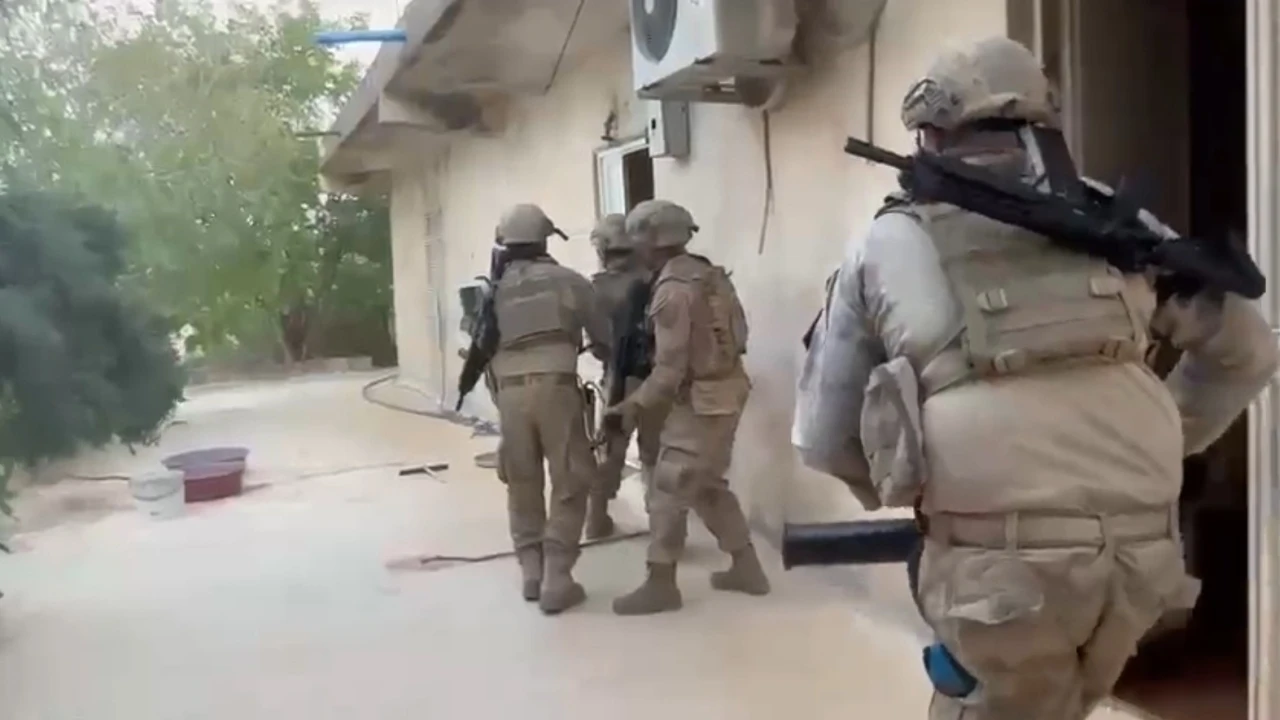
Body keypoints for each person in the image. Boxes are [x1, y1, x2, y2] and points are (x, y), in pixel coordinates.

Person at [792, 36, 1278, 720]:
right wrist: (1153, 444)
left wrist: (913, 482)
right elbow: (1247, 351)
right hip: (1145, 561)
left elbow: (825, 438)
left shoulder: (889, 241)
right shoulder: (1113, 223)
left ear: (931, 133)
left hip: (1000, 577)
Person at [606, 199, 770, 616]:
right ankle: (747, 567)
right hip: (726, 391)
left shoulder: (672, 289)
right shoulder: (709, 274)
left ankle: (661, 583)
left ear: (652, 240)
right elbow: (739, 337)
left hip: (700, 400)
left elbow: (668, 370)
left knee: (669, 488)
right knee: (707, 485)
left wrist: (630, 407)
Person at [490, 203, 610, 615]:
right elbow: (604, 340)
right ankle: (557, 577)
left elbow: (483, 353)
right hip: (556, 388)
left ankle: (531, 570)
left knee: (521, 479)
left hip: (508, 394)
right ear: (544, 239)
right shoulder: (570, 282)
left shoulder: (493, 289)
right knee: (571, 477)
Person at [585, 213, 665, 539]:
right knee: (655, 456)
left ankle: (596, 519)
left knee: (609, 451)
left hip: (618, 380)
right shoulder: (658, 279)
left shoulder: (597, 288)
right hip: (658, 380)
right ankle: (662, 528)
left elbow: (597, 348)